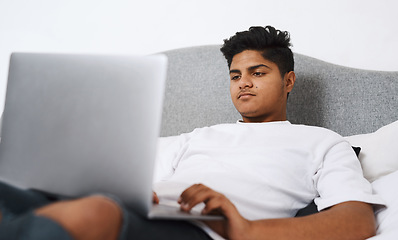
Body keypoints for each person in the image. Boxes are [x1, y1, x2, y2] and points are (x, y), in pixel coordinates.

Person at [0, 26, 384, 240]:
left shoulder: (321, 141)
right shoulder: (197, 137)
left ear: (288, 81)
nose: (243, 83)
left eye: (257, 72)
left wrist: (249, 230)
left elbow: (357, 220)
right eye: (235, 75)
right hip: (149, 212)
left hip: (203, 233)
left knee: (93, 213)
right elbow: (141, 184)